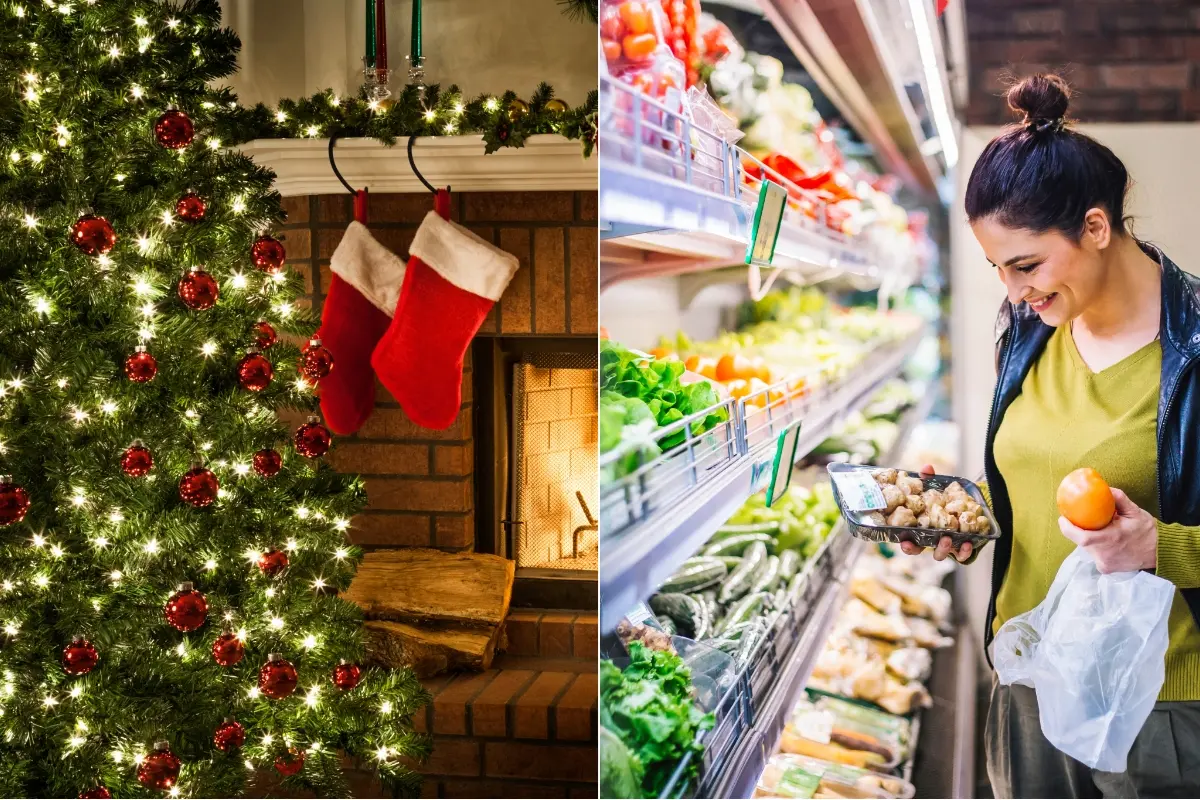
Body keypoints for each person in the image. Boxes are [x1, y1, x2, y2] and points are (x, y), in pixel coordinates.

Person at [902, 73, 1200, 797]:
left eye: (1026, 264)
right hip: (1027, 680)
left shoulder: (1191, 350)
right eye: (997, 269)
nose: (1013, 292)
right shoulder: (1031, 333)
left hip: (1156, 705)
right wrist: (967, 515)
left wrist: (1159, 547)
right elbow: (1038, 486)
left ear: (1095, 228)